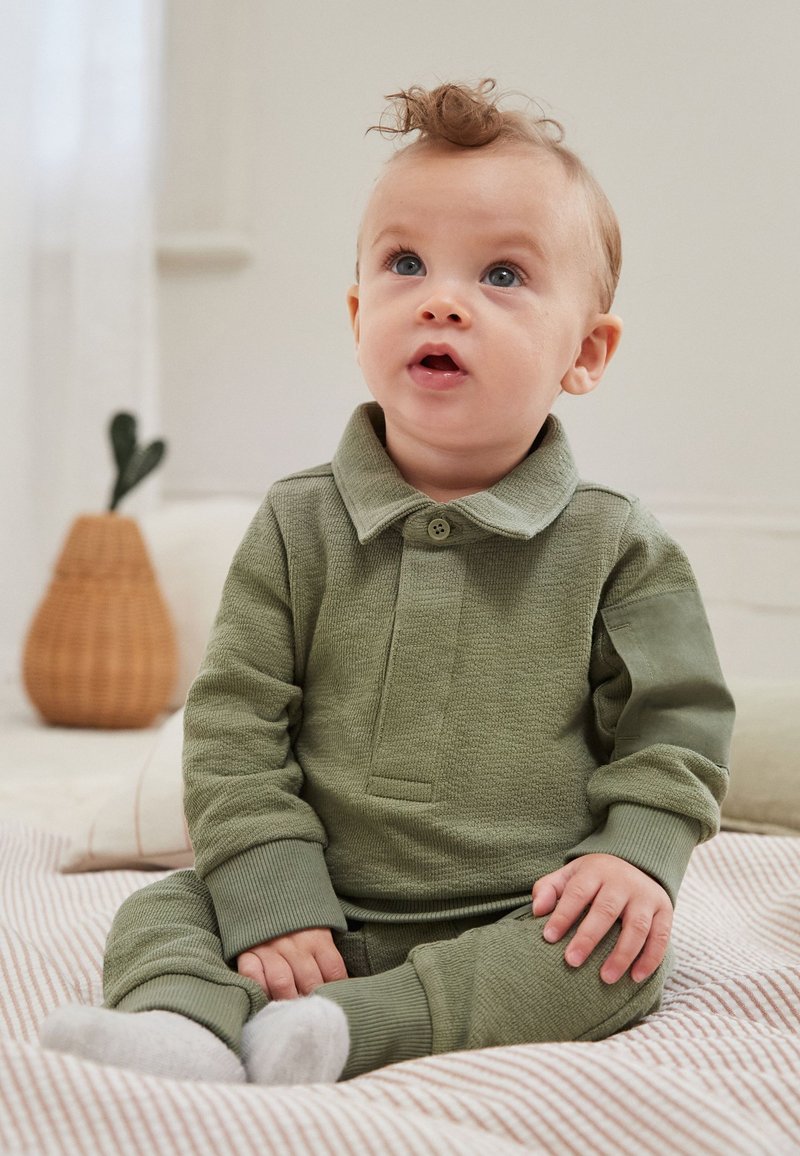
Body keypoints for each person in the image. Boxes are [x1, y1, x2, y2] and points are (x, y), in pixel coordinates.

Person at [41, 79, 735, 1085]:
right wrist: (273, 893)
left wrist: (634, 854)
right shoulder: (296, 524)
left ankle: (348, 1028)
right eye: (405, 264)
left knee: (618, 960)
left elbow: (676, 728)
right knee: (163, 908)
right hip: (317, 896)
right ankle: (180, 1027)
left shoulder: (615, 543)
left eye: (502, 274)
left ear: (585, 353)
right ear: (360, 312)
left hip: (520, 905)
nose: (441, 299)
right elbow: (234, 724)